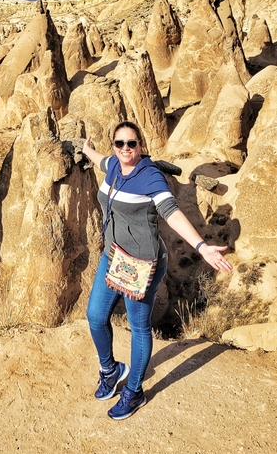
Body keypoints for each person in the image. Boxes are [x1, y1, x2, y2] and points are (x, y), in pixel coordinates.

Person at [82, 121, 233, 421]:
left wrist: (201, 247)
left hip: (141, 262)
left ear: (141, 145)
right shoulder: (113, 165)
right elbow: (102, 161)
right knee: (95, 316)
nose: (126, 150)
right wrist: (88, 151)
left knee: (139, 327)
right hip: (112, 256)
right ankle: (110, 370)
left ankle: (135, 391)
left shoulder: (150, 176)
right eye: (120, 144)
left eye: (132, 144)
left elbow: (171, 212)